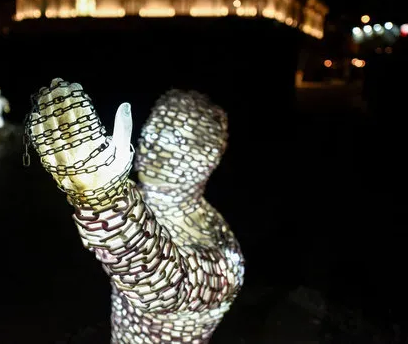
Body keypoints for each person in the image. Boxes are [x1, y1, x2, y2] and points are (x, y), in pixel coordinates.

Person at [26, 78, 244, 344]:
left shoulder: (224, 255)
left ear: (208, 155)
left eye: (173, 139)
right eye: (151, 132)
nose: (153, 146)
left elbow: (169, 283)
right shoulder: (138, 198)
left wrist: (104, 201)